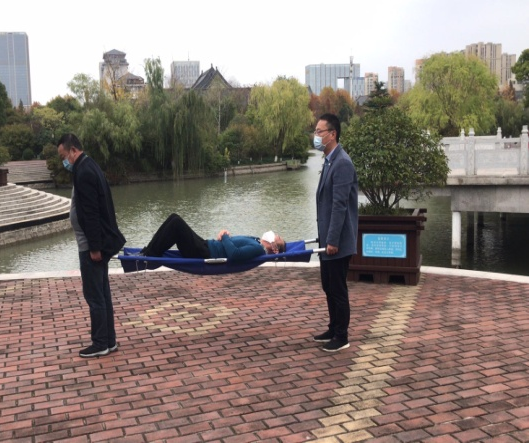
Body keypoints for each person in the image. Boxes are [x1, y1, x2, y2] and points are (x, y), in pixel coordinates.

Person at [57, 133, 126, 358]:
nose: (64, 161)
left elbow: (91, 213)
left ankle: (100, 343)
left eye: (64, 156)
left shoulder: (84, 172)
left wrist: (94, 248)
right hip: (93, 244)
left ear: (73, 150)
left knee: (95, 295)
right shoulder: (89, 165)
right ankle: (109, 340)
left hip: (90, 247)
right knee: (102, 293)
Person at [312, 113, 359, 352]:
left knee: (338, 289)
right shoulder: (329, 160)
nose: (316, 136)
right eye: (315, 131)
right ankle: (333, 328)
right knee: (328, 286)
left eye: (319, 132)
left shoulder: (342, 163)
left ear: (332, 134)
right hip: (327, 239)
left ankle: (342, 336)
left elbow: (340, 206)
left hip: (337, 242)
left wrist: (331, 240)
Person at [138, 213, 285, 262]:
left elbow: (235, 254)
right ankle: (148, 251)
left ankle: (149, 256)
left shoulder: (258, 249)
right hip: (205, 245)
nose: (273, 234)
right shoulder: (256, 240)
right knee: (174, 218)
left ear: (275, 249)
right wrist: (225, 235)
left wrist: (224, 235)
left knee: (176, 223)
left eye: (276, 237)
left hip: (204, 253)